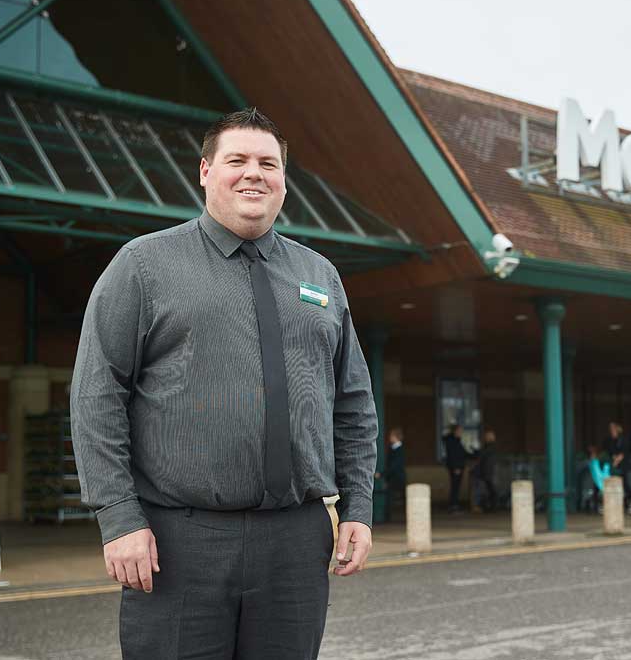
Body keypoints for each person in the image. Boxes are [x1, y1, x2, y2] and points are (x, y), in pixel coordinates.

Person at [71, 108, 377, 659]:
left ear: (284, 180)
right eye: (237, 160)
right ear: (205, 171)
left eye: (268, 163)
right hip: (179, 542)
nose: (253, 173)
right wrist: (118, 516)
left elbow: (353, 403)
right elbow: (97, 395)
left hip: (296, 543)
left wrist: (357, 506)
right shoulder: (143, 265)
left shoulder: (320, 276)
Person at [601, 421, 631, 513]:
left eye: (613, 428)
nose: (612, 430)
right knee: (613, 484)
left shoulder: (623, 439)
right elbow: (608, 451)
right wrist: (613, 459)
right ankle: (617, 503)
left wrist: (616, 461)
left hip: (622, 465)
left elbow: (624, 452)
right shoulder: (609, 440)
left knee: (625, 484)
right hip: (613, 466)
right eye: (610, 429)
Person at [376, 427, 406, 517]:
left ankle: (390, 517)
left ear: (396, 437)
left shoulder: (399, 450)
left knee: (392, 498)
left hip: (397, 478)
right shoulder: (392, 448)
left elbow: (394, 466)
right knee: (390, 498)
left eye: (391, 435)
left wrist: (382, 474)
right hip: (392, 478)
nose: (390, 437)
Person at [443, 424, 469, 512]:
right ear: (455, 431)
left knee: (456, 487)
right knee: (455, 487)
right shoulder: (452, 441)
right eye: (460, 430)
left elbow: (463, 453)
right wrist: (455, 467)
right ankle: (453, 505)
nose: (461, 432)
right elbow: (452, 455)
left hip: (458, 467)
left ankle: (454, 505)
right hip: (456, 468)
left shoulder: (456, 441)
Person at [473, 430, 499, 512]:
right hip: (488, 472)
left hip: (486, 472)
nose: (485, 438)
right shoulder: (491, 448)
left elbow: (481, 458)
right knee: (490, 490)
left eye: (487, 437)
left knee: (487, 491)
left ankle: (488, 507)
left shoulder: (488, 448)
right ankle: (490, 507)